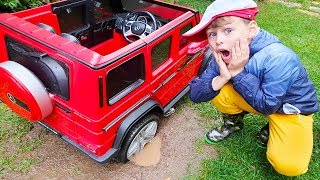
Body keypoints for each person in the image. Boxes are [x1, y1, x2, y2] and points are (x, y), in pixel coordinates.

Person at [183, 0, 319, 177]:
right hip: (259, 100)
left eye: (228, 30)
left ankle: (272, 129)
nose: (219, 40)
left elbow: (267, 106)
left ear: (252, 29)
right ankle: (233, 123)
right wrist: (221, 78)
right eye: (212, 34)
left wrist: (237, 72)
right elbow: (195, 94)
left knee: (290, 166)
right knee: (218, 91)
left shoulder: (279, 57)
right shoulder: (224, 52)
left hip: (289, 110)